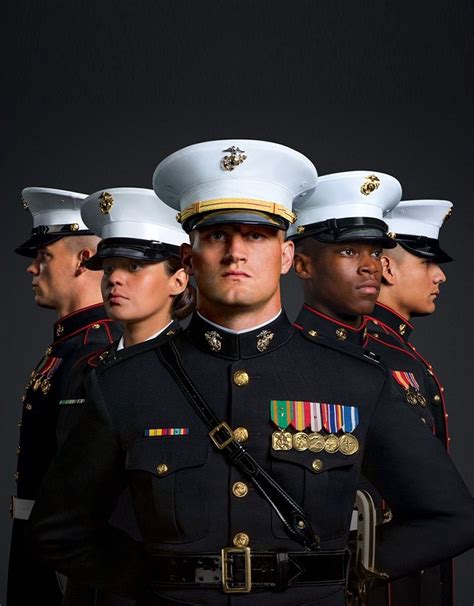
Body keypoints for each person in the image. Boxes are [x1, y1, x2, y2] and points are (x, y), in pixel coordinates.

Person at [28, 142, 474, 606]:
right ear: (189, 258)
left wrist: (349, 570)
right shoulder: (122, 383)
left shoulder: (356, 381)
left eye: (257, 235)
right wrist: (160, 582)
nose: (236, 252)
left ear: (285, 256)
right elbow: (58, 532)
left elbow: (451, 517)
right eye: (218, 235)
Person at [57, 187, 195, 606]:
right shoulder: (85, 368)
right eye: (109, 266)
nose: (114, 278)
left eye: (134, 266)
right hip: (88, 582)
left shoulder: (197, 371)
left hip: (163, 585)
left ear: (179, 279)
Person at [8, 187, 122, 606]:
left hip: (70, 561)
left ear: (82, 260)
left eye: (44, 256)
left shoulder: (97, 350)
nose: (32, 269)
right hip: (42, 545)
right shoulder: (69, 345)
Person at [366, 199, 454, 606]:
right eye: (426, 263)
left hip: (409, 563)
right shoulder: (368, 349)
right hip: (376, 568)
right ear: (388, 269)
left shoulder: (399, 349)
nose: (439, 276)